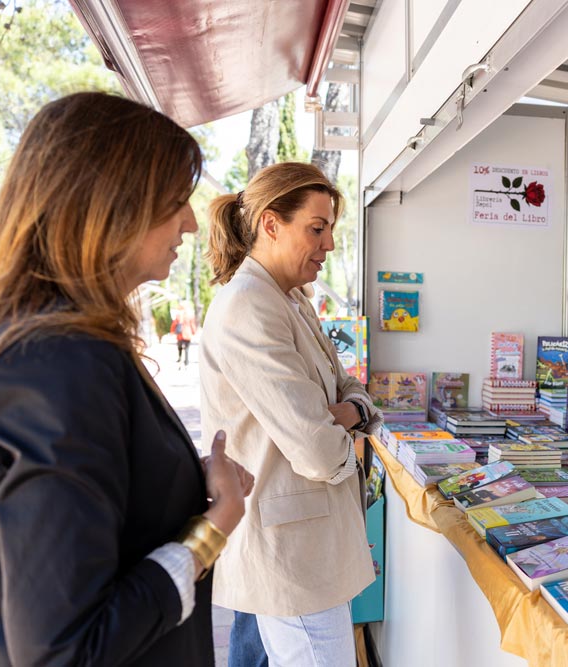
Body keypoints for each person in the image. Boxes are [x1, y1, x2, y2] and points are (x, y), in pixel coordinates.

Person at [0, 92, 253, 666]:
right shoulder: (59, 359)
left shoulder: (57, 344)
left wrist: (171, 481)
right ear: (109, 206)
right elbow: (66, 649)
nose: (189, 221)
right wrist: (211, 528)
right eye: (174, 200)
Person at [200, 161, 382, 667]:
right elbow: (318, 451)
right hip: (291, 550)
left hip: (306, 545)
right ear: (271, 224)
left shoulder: (291, 299)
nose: (327, 245)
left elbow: (351, 389)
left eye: (329, 231)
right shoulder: (249, 306)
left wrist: (344, 410)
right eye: (316, 229)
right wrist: (346, 419)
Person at [171, 302, 197, 368]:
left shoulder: (178, 315)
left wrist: (172, 331)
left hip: (180, 335)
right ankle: (186, 363)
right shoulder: (190, 315)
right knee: (187, 349)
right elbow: (192, 324)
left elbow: (174, 324)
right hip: (188, 334)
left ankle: (180, 360)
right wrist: (194, 332)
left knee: (179, 348)